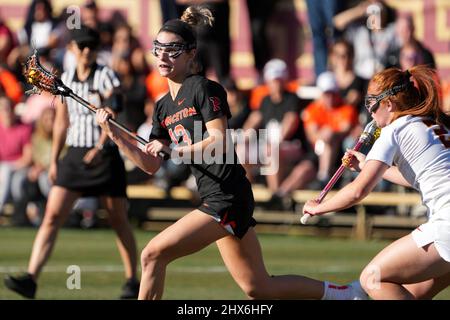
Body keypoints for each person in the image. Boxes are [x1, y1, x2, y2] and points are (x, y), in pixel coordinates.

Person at [96, 6, 366, 300]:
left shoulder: (204, 89)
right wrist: (116, 134)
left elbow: (219, 139)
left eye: (172, 49)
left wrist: (175, 149)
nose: (162, 55)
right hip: (216, 198)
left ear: (190, 53)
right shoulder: (162, 107)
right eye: (158, 48)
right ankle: (347, 294)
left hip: (227, 198)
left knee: (152, 255)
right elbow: (150, 164)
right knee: (259, 288)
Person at [4, 25, 139, 300]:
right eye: (82, 46)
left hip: (104, 155)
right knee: (52, 216)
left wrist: (100, 144)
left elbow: (114, 104)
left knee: (117, 219)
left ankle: (132, 279)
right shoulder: (66, 78)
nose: (87, 51)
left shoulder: (105, 75)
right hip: (75, 156)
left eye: (91, 46)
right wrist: (54, 160)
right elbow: (62, 123)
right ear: (74, 49)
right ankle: (31, 278)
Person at [302, 65, 450, 299]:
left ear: (389, 104)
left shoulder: (394, 130)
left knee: (371, 278)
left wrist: (320, 207)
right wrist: (364, 165)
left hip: (447, 224)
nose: (369, 111)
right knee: (415, 294)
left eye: (372, 103)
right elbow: (417, 179)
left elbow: (357, 191)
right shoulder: (430, 123)